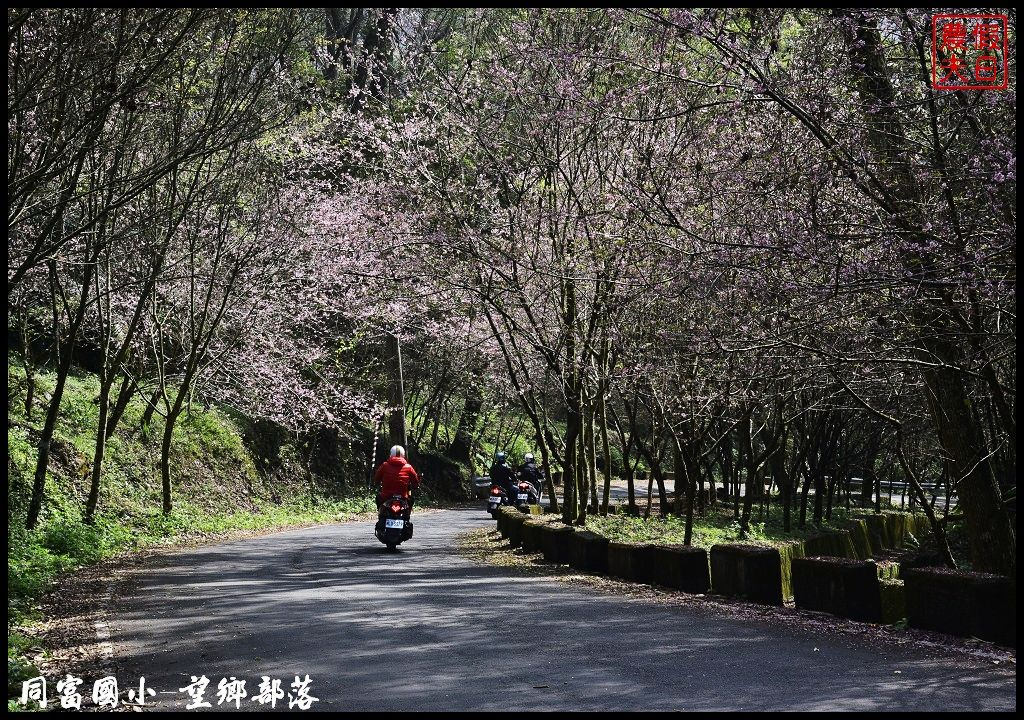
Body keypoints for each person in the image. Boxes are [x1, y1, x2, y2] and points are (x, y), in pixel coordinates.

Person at [374, 445, 420, 519]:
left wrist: (377, 482)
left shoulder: (384, 465)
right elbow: (415, 481)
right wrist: (416, 486)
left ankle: (380, 514)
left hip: (386, 496)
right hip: (403, 497)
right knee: (411, 500)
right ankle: (407, 516)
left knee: (378, 498)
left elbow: (377, 478)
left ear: (391, 454)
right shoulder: (408, 467)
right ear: (403, 455)